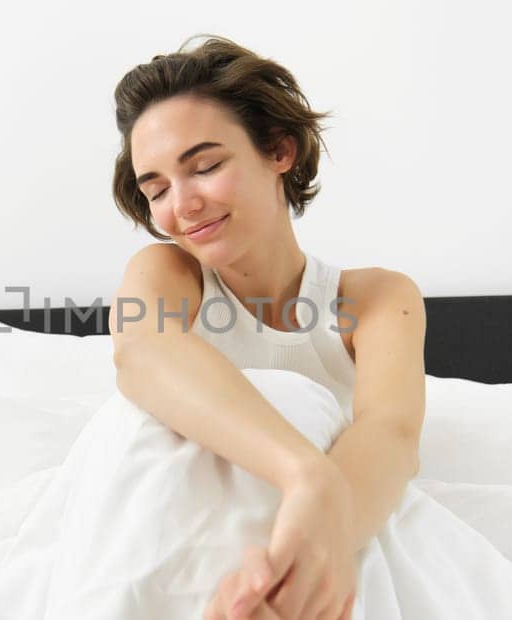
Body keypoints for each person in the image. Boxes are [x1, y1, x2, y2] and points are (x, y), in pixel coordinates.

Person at [108, 35, 428, 620]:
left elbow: (392, 436)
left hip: (314, 545)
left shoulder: (379, 299)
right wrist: (306, 475)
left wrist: (300, 561)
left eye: (204, 167)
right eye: (156, 189)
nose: (182, 206)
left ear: (279, 150)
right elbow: (140, 353)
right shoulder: (166, 274)